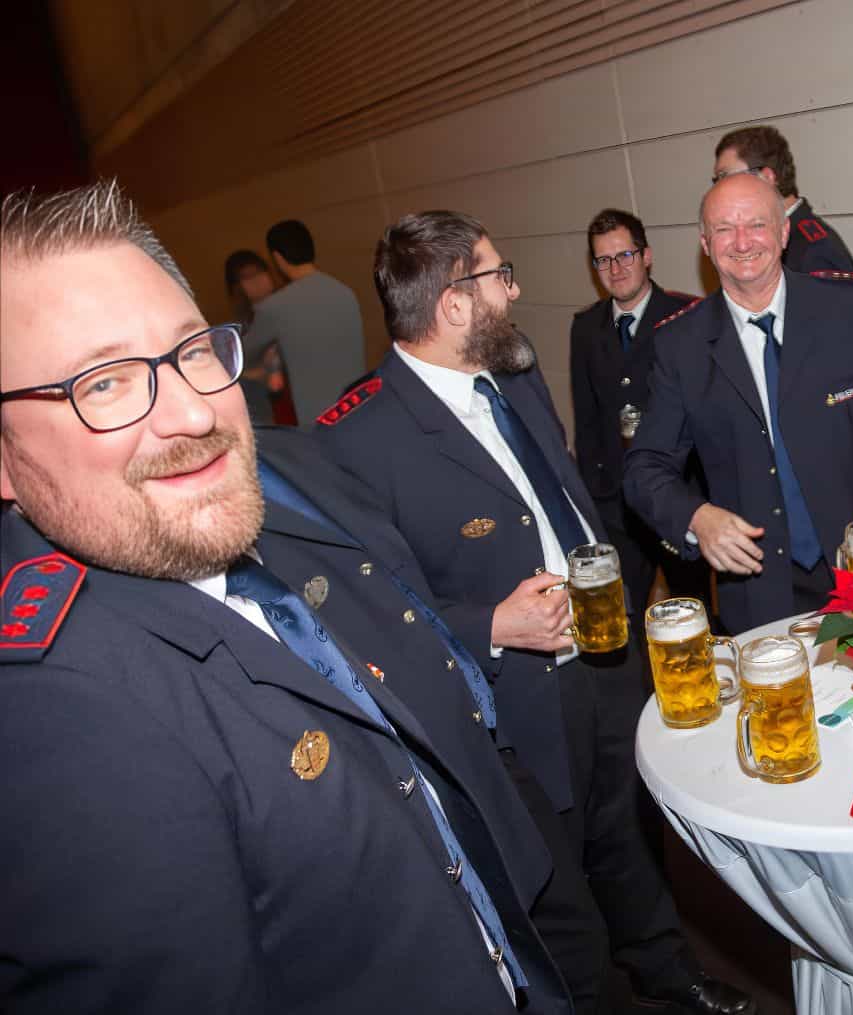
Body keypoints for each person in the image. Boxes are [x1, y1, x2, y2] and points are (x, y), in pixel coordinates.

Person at [0, 181, 573, 1013]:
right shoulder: (56, 723)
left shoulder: (244, 523)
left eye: (192, 350)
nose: (193, 412)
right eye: (104, 384)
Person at [314, 210, 753, 1015]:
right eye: (499, 276)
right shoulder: (359, 436)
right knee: (559, 891)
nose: (512, 292)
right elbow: (371, 611)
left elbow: (568, 494)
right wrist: (490, 626)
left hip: (605, 654)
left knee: (632, 836)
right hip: (511, 697)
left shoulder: (511, 371)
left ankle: (666, 968)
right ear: (453, 303)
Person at [623, 173, 853, 633]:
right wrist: (696, 517)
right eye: (725, 229)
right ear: (705, 244)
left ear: (784, 231)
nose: (742, 242)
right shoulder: (681, 345)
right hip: (759, 588)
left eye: (757, 224)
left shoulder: (850, 308)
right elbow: (644, 467)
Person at [569, 208, 709, 618]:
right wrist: (593, 501)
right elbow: (587, 422)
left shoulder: (688, 317)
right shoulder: (585, 328)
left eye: (624, 255)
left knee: (692, 611)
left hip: (678, 498)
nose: (615, 269)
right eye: (603, 260)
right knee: (622, 616)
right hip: (618, 508)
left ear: (646, 256)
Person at [250, 219, 365, 427]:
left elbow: (245, 354)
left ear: (277, 258)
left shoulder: (274, 306)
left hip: (318, 419)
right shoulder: (344, 292)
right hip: (359, 408)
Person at [714, 125, 853, 273]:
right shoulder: (779, 238)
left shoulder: (814, 251)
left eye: (725, 177)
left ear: (766, 178)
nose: (719, 189)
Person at [224, 249, 293, 425]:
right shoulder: (239, 330)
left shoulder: (290, 309)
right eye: (247, 277)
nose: (256, 280)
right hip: (265, 413)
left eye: (259, 272)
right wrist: (258, 374)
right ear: (237, 287)